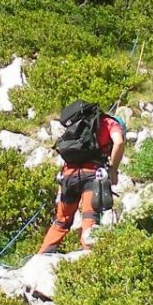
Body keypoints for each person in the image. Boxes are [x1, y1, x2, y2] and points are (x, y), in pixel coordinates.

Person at [36, 101, 126, 254]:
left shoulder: (78, 126)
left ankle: (41, 257)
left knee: (61, 221)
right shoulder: (110, 123)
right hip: (92, 177)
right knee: (89, 218)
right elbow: (119, 142)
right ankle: (89, 258)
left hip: (68, 176)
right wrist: (113, 170)